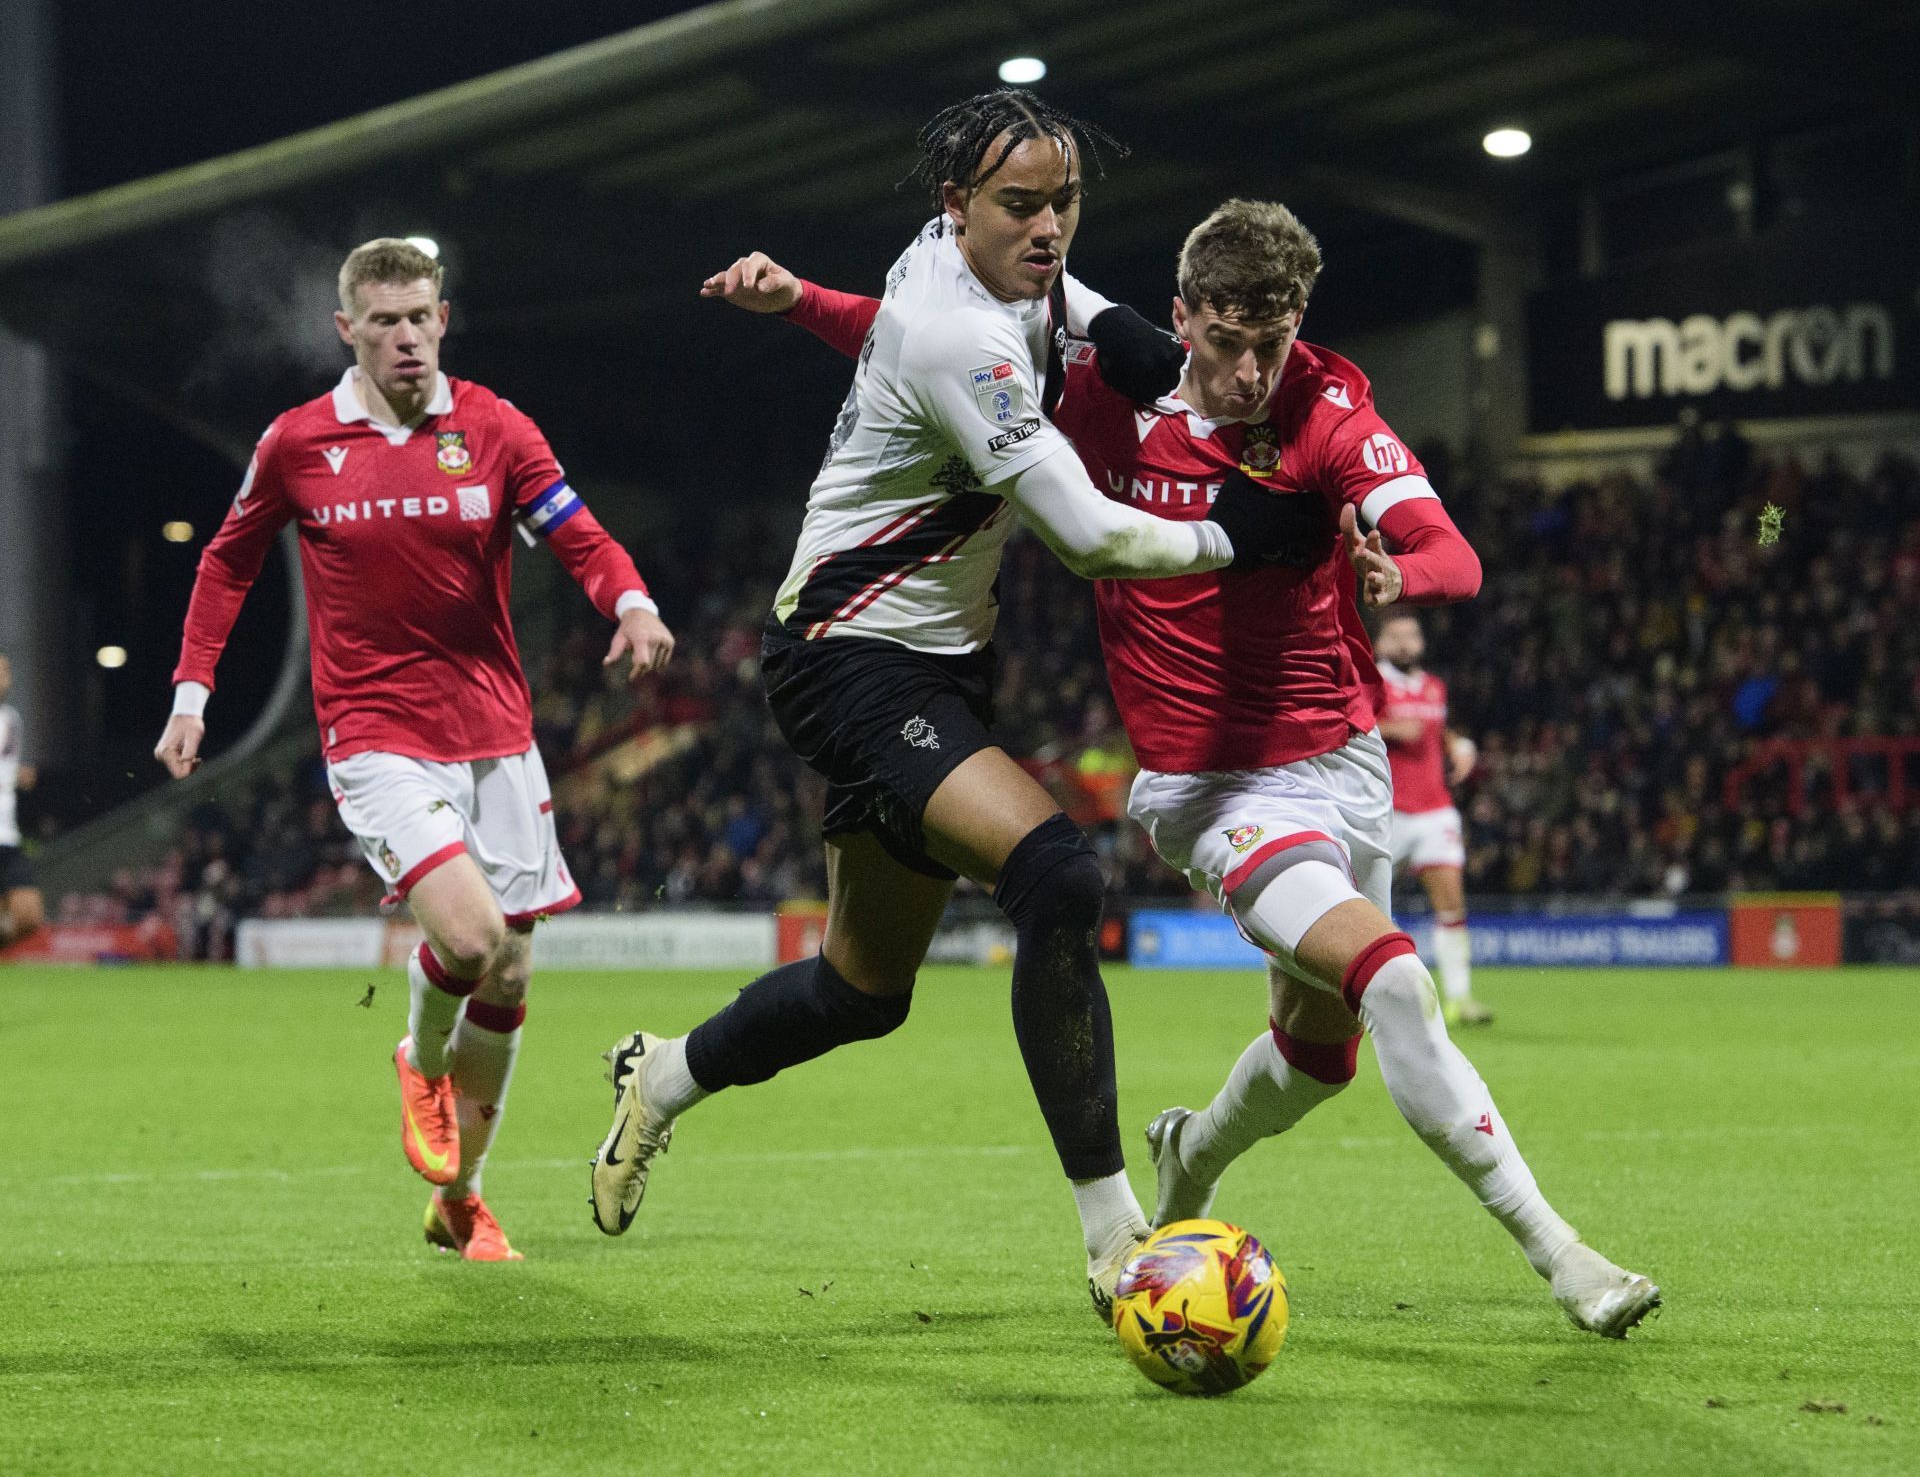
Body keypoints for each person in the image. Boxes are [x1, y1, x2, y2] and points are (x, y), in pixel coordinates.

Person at [731, 195, 1658, 1337]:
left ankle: (1190, 1154)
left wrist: (1395, 578)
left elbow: (1449, 552)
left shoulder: (1326, 405)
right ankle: (1564, 1258)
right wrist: (798, 303)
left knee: (1319, 1061)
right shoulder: (1109, 404)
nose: (1251, 371)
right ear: (1182, 319)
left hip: (1346, 768)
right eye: (1225, 344)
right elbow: (919, 347)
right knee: (1400, 984)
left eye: (1272, 343)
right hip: (1215, 792)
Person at [587, 92, 1315, 1319]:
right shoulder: (953, 335)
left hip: (938, 663)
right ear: (953, 210)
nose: (1049, 229)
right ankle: (1116, 1238)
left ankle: (662, 1078)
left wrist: (1222, 378)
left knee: (862, 994)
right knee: (1059, 879)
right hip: (846, 656)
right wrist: (1239, 532)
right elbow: (1086, 535)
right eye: (1020, 207)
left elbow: (1112, 334)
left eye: (1065, 203)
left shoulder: (1001, 275)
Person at [155, 238, 676, 1261]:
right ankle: (419, 1055)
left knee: (512, 973)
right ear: (347, 330)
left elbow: (577, 530)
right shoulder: (301, 443)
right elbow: (226, 564)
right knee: (473, 938)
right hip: (375, 732)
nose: (406, 337)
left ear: (445, 318)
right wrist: (191, 693)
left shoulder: (491, 425)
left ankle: (461, 1197)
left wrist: (633, 600)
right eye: (384, 321)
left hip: (496, 732)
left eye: (421, 316)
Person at [1375, 610, 1489, 1025]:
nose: (1405, 643)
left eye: (1412, 635)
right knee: (1367, 908)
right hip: (1385, 813)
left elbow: (1436, 730)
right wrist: (1385, 727)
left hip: (1434, 809)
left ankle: (1459, 1000)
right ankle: (1357, 997)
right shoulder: (1370, 682)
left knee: (1451, 905)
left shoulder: (1434, 688)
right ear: (1380, 644)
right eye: (1395, 636)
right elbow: (1341, 723)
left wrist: (1459, 745)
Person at [0, 654, 45, 954]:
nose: (5, 676)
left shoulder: (11, 718)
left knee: (29, 914)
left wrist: (16, 775)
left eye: (7, 670)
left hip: (6, 832)